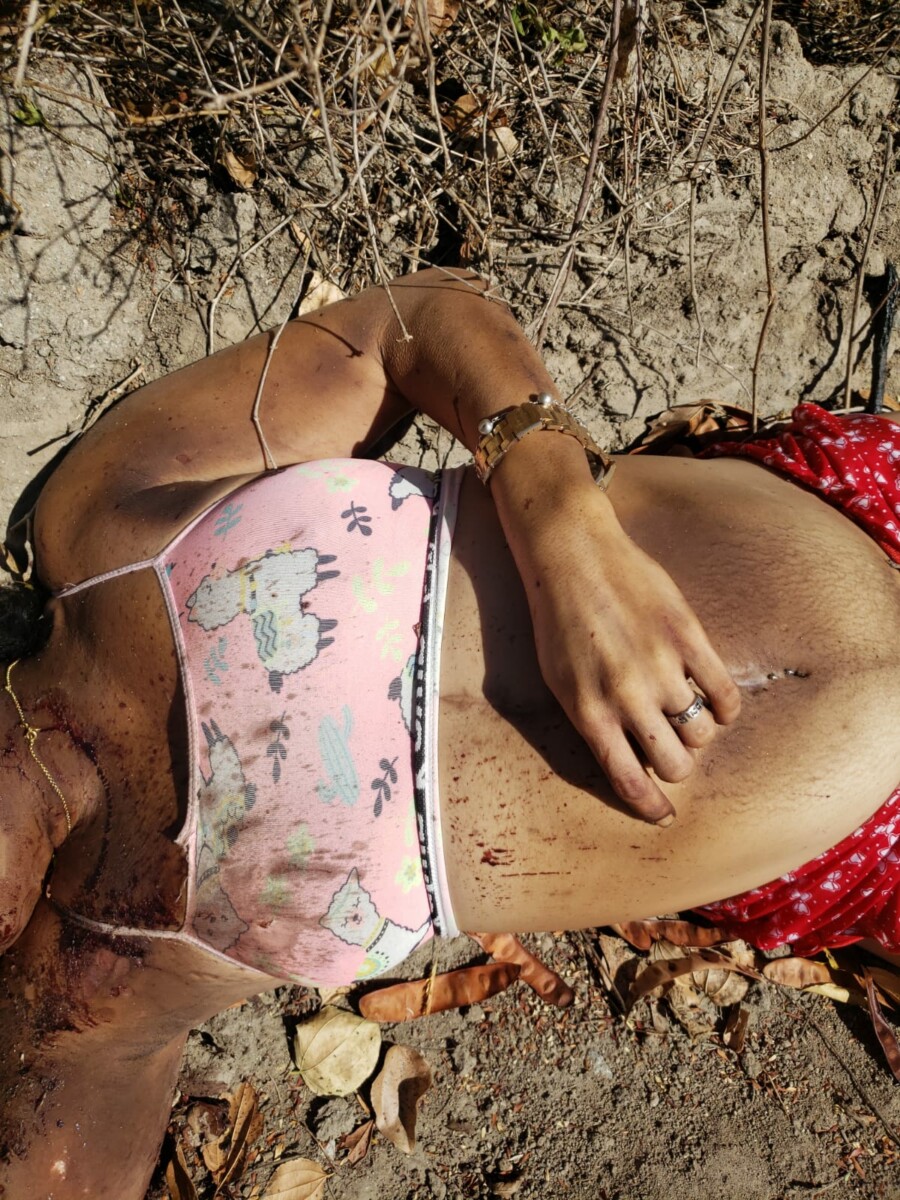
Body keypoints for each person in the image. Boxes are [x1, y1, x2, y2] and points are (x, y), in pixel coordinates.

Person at [0, 268, 898, 1199]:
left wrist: (566, 533)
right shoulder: (96, 986)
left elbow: (411, 321)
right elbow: (413, 322)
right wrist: (565, 528)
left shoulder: (98, 513)